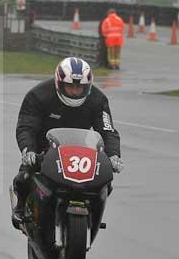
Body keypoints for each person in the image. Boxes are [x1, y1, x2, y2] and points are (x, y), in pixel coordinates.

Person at [11, 57, 123, 228]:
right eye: (70, 86)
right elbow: (26, 127)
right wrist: (29, 150)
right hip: (44, 149)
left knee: (105, 181)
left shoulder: (98, 100)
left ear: (88, 86)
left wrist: (114, 155)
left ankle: (94, 216)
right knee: (24, 177)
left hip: (81, 149)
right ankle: (20, 209)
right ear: (59, 83)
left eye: (80, 87)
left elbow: (108, 130)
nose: (75, 91)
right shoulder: (38, 95)